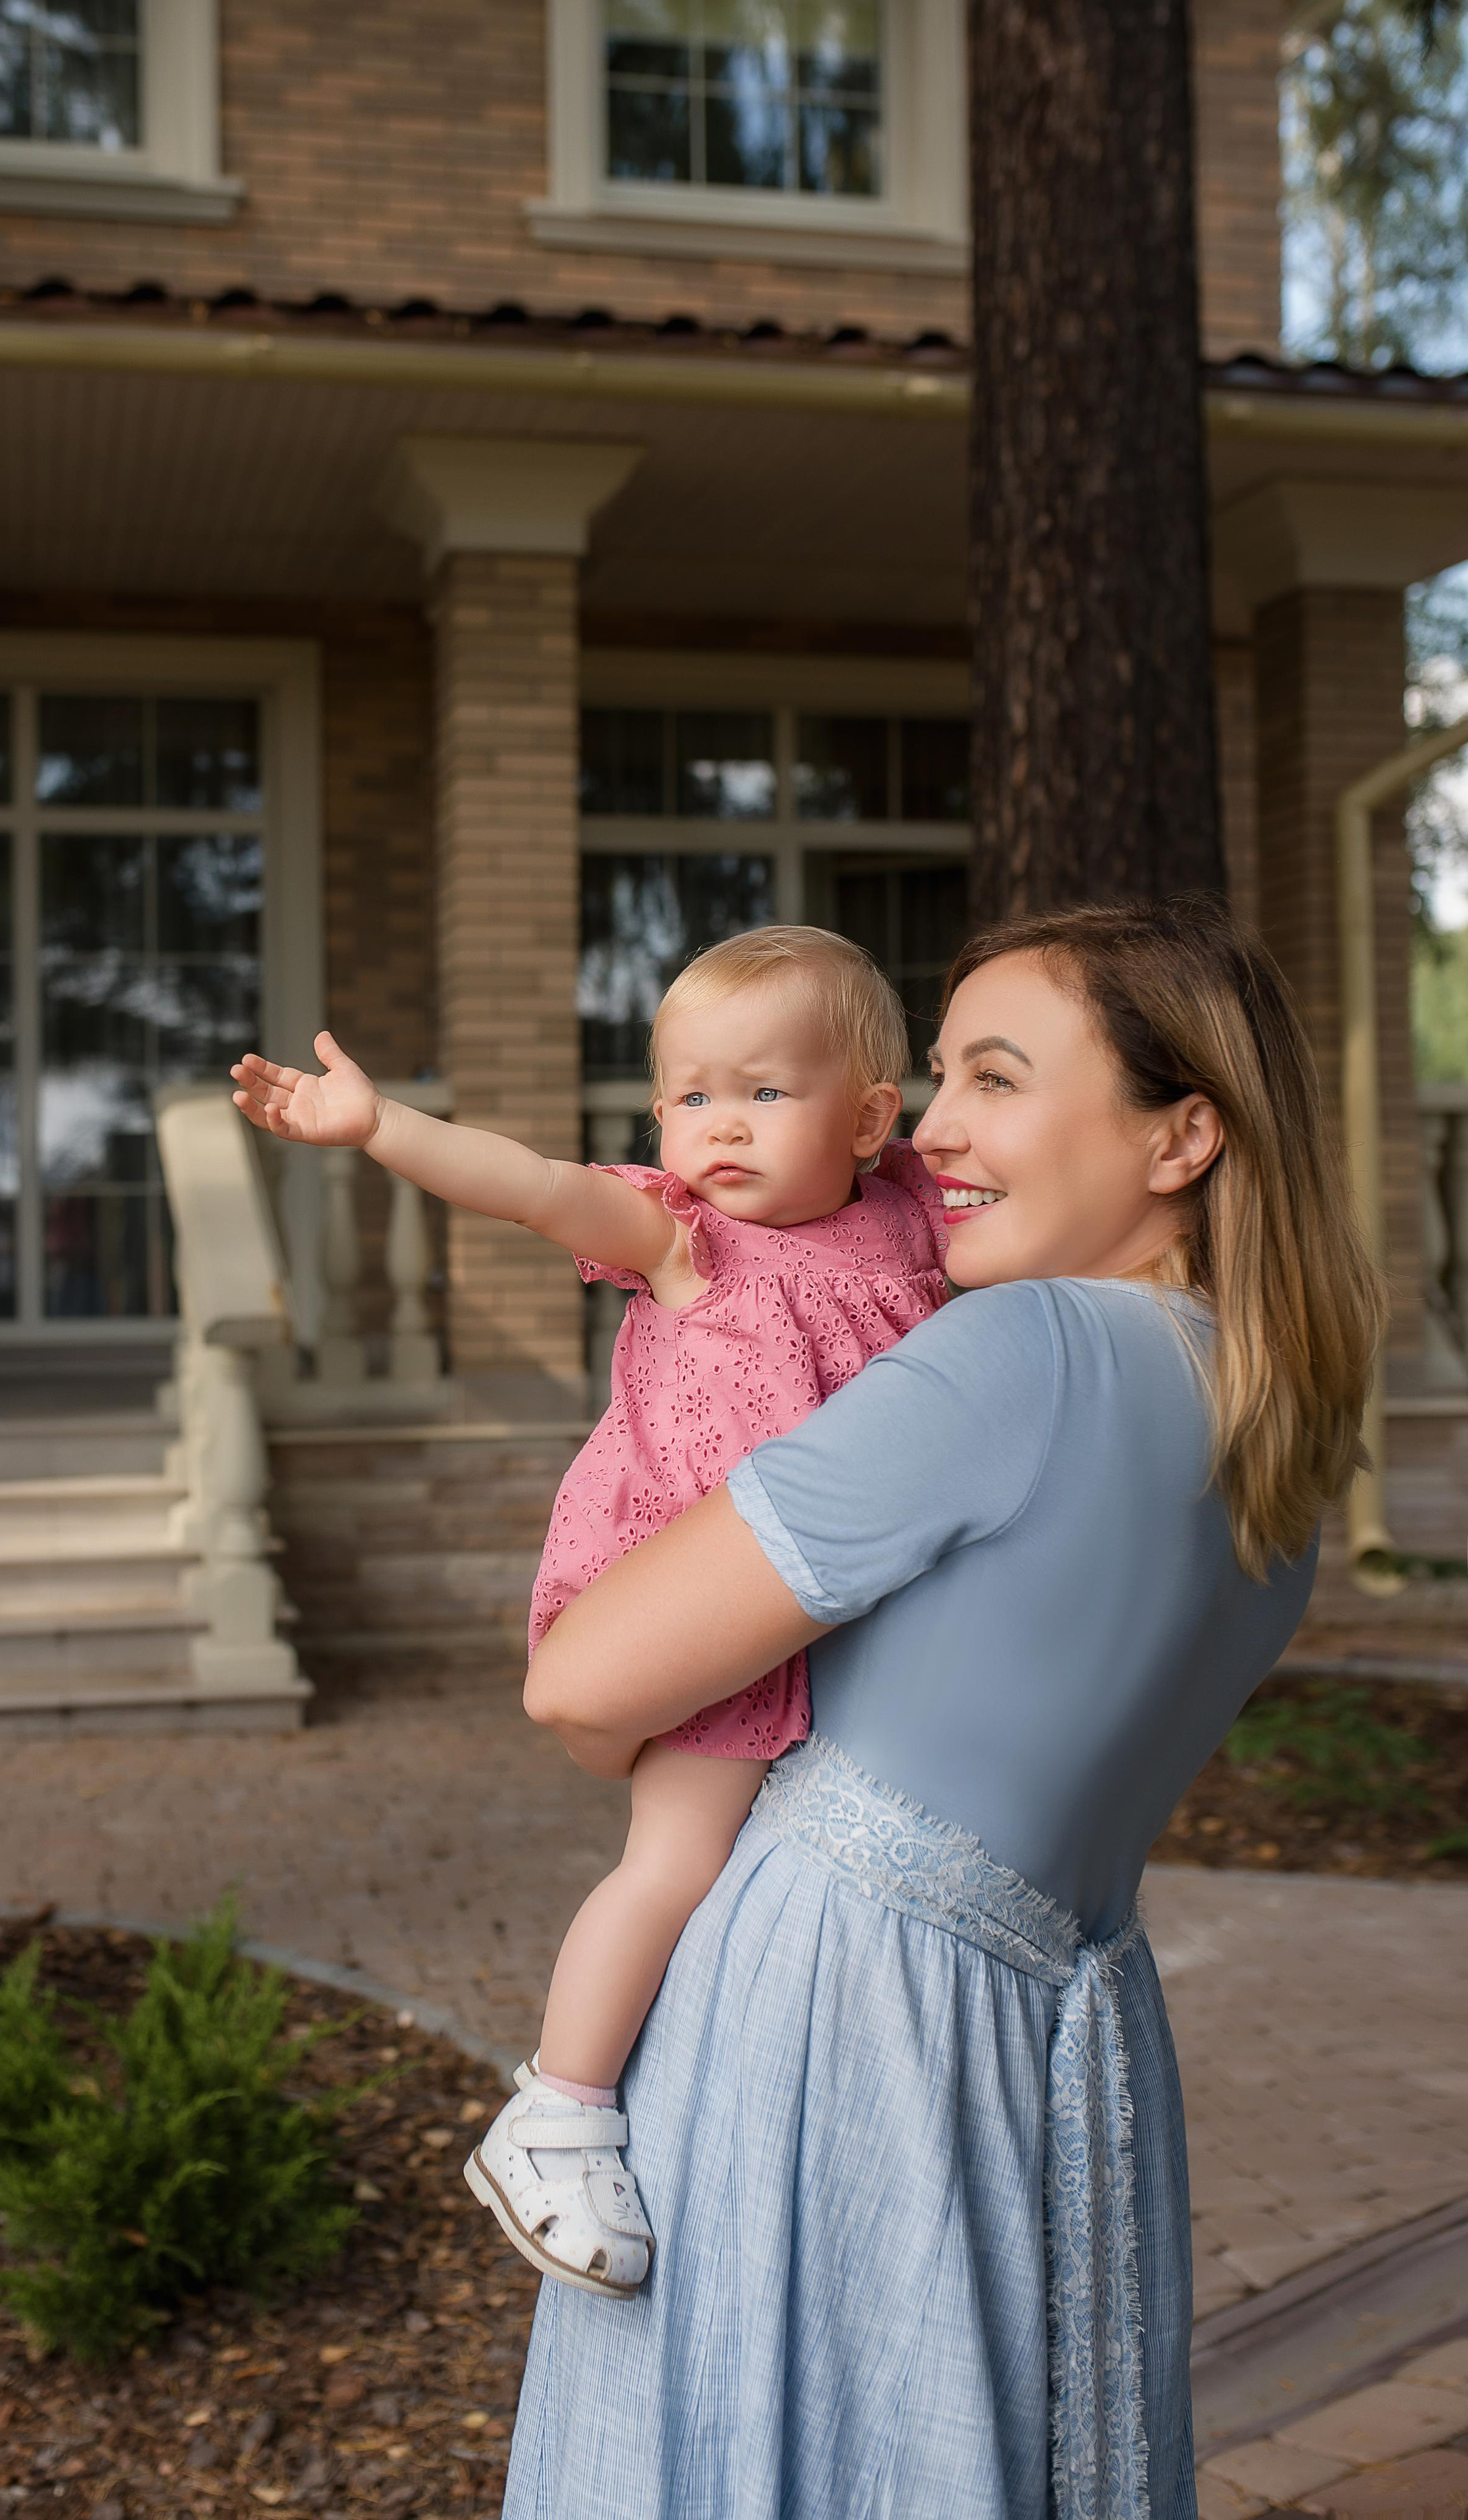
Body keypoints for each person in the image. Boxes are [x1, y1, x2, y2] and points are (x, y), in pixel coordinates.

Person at [507, 897, 1385, 2520]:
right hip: (1058, 2017)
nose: (932, 1130)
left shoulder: (1019, 1353)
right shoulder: (1272, 1432)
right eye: (936, 1076)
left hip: (831, 2014)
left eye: (993, 1077)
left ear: (1180, 1135)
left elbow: (578, 1685)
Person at [229, 927, 947, 2293]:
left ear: (868, 1120)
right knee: (672, 1862)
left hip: (846, 1609)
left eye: (765, 1091)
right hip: (694, 1608)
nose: (719, 1124)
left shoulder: (910, 1220)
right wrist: (380, 1128)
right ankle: (558, 2112)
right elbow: (537, 1188)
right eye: (690, 1095)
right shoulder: (686, 1240)